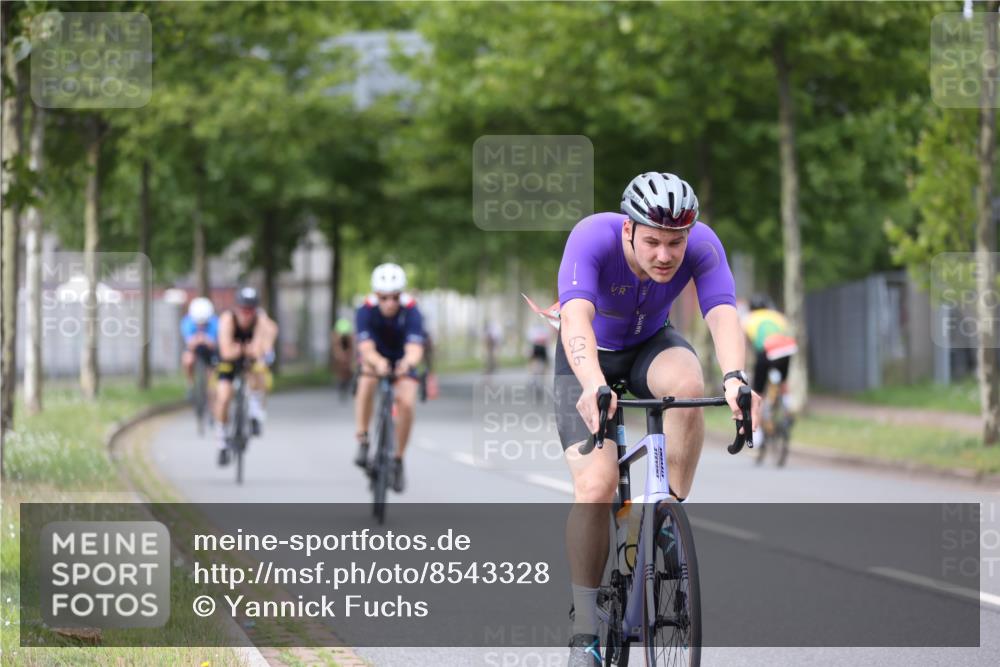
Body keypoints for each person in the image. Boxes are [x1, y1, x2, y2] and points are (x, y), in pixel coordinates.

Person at [554, 172, 761, 665]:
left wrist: (735, 378)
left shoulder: (702, 244)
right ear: (628, 230)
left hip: (650, 345)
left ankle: (665, 514)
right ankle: (585, 628)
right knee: (598, 485)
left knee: (689, 387)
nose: (666, 255)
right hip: (587, 358)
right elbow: (576, 317)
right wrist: (591, 384)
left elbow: (722, 312)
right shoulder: (592, 236)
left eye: (675, 242)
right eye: (652, 241)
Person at [353, 263, 426, 493]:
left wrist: (408, 363)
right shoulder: (364, 310)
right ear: (376, 295)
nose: (390, 303)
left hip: (403, 360)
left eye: (395, 297)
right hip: (376, 358)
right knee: (367, 381)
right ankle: (363, 438)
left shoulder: (413, 311)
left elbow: (415, 347)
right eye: (384, 298)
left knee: (406, 402)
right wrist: (378, 362)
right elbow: (365, 347)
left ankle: (398, 459)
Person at [213, 286, 279, 466]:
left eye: (250, 310)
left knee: (259, 373)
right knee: (224, 396)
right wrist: (249, 349)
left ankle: (255, 413)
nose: (246, 314)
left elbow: (261, 347)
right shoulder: (228, 320)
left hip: (248, 360)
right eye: (243, 309)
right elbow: (226, 351)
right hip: (228, 361)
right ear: (237, 308)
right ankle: (221, 441)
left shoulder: (261, 320)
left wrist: (259, 349)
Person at [741, 295, 798, 445]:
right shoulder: (777, 315)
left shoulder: (748, 319)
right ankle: (787, 406)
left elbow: (745, 347)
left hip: (766, 351)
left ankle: (757, 433)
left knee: (758, 393)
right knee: (783, 379)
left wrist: (743, 368)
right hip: (786, 349)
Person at [180, 296, 219, 393]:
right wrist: (202, 340)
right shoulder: (187, 322)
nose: (201, 325)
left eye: (204, 323)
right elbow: (189, 344)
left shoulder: (215, 322)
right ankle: (190, 383)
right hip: (194, 350)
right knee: (187, 359)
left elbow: (214, 344)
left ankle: (211, 391)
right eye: (198, 323)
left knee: (213, 371)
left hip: (210, 352)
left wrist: (203, 340)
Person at [330, 316, 355, 401]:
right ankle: (340, 382)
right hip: (339, 352)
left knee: (348, 368)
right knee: (340, 368)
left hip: (347, 351)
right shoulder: (336, 336)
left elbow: (351, 347)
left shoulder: (349, 336)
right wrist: (340, 355)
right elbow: (336, 347)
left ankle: (347, 382)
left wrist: (348, 357)